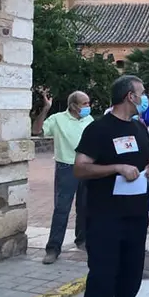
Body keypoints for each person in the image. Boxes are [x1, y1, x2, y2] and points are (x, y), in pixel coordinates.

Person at [73, 75, 149, 297]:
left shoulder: (139, 127)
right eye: (142, 93)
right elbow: (80, 169)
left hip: (136, 216)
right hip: (105, 218)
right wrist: (116, 168)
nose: (145, 98)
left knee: (131, 278)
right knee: (102, 281)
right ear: (129, 96)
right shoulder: (99, 129)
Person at [32, 90, 94, 264]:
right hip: (66, 167)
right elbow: (37, 130)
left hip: (87, 167)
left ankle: (82, 240)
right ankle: (53, 248)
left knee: (85, 206)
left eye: (88, 103)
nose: (88, 107)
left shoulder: (89, 120)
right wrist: (46, 109)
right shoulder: (58, 119)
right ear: (73, 106)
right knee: (61, 209)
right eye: (84, 104)